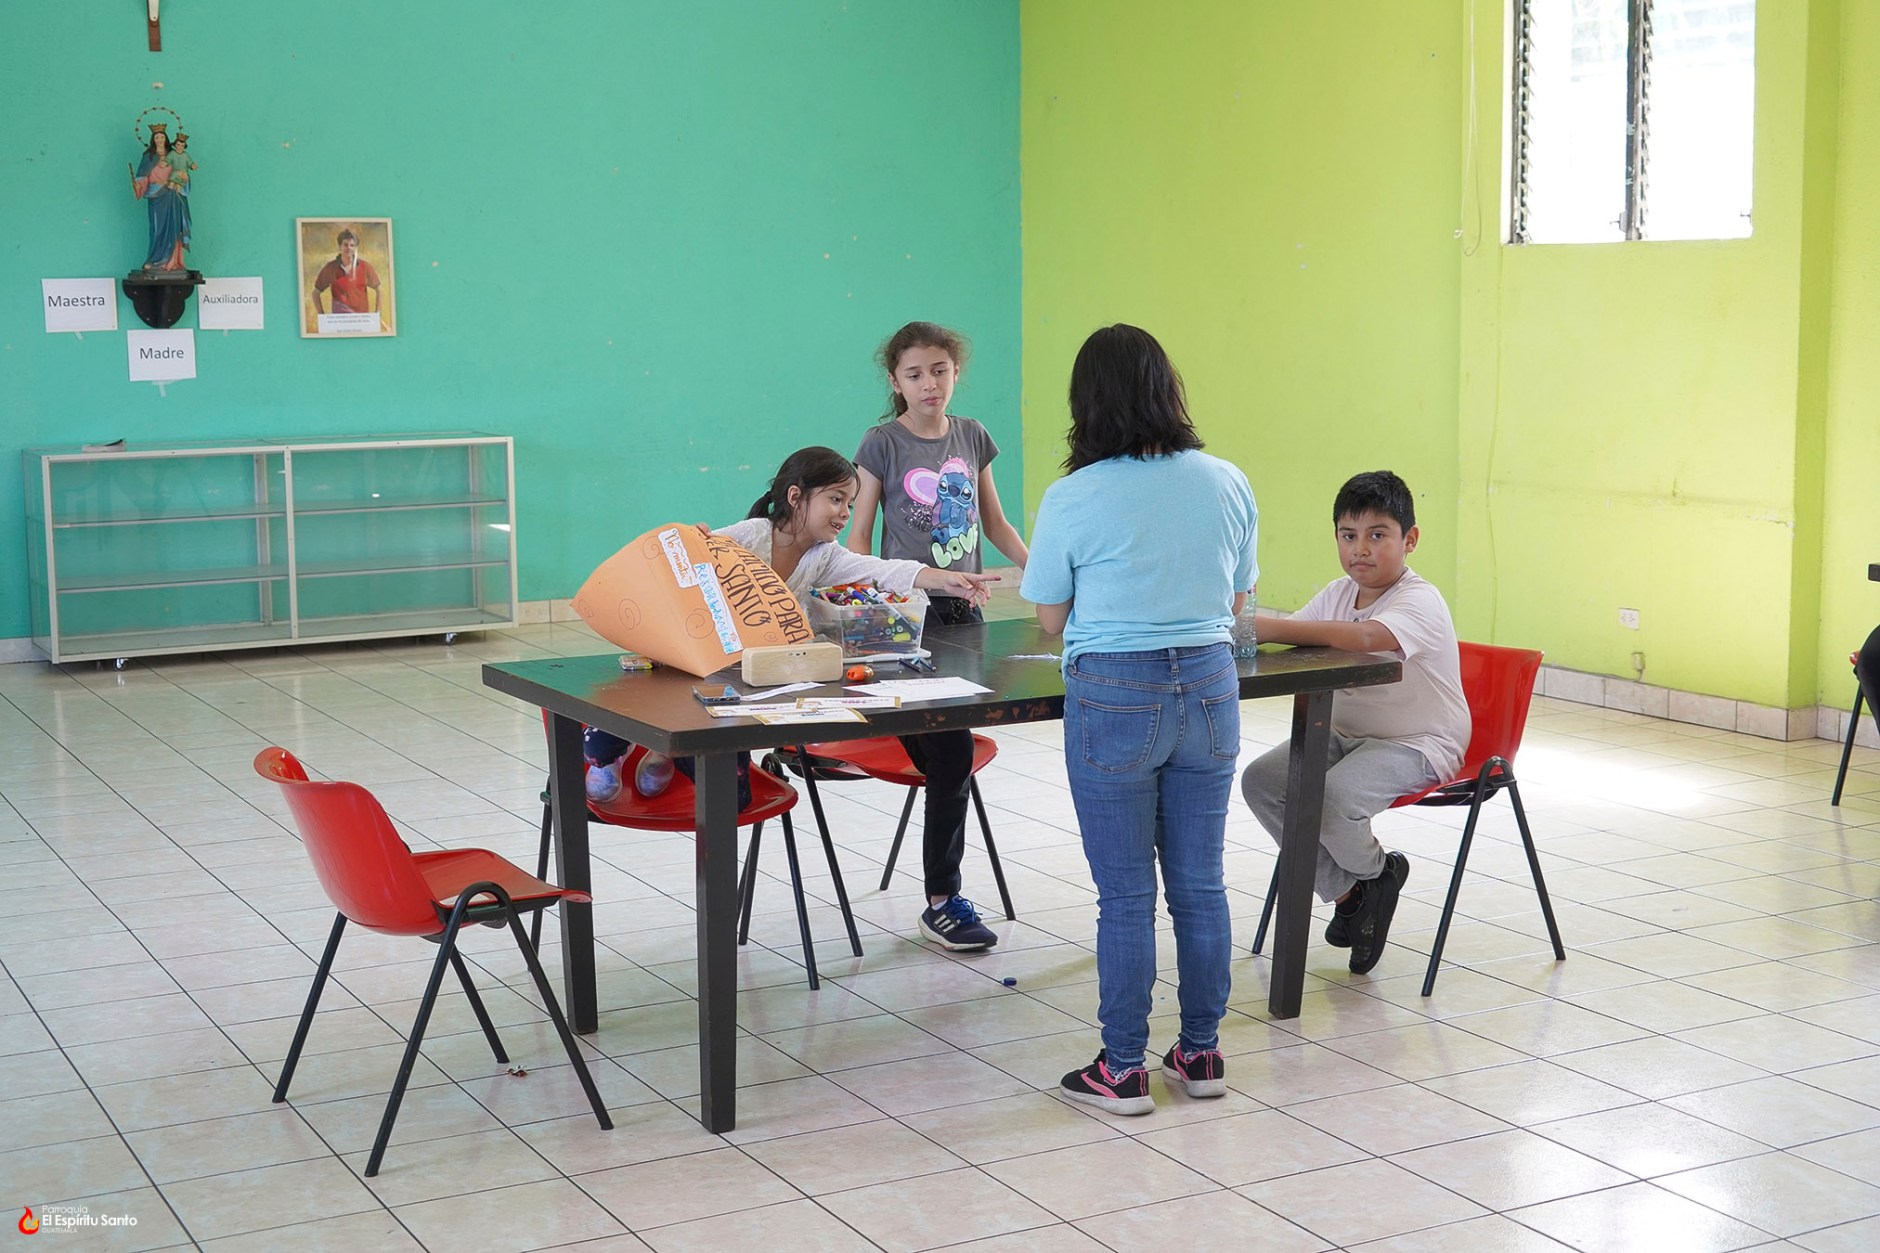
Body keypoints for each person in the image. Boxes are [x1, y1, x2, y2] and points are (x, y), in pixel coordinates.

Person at [1021, 324, 1258, 1116]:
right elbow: (1237, 598)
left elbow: (1049, 616)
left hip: (1116, 692)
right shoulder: (1227, 480)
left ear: (1085, 404)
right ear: (1168, 389)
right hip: (1212, 687)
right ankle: (1201, 1051)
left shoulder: (1075, 495)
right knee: (1200, 881)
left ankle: (1122, 1068)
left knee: (1125, 894)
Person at [584, 447, 996, 811]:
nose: (845, 513)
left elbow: (881, 570)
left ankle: (668, 753)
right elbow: (685, 562)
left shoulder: (824, 556)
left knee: (734, 798)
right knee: (646, 708)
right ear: (796, 496)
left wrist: (947, 579)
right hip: (697, 665)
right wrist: (697, 540)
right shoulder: (751, 536)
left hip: (744, 683)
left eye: (849, 503)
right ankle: (615, 752)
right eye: (835, 499)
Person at [1239, 470, 1470, 978]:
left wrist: (1260, 625)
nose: (1360, 549)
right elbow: (1301, 636)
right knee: (1263, 782)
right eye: (1348, 535)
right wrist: (1244, 627)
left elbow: (1368, 639)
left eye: (1377, 534)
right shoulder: (1338, 593)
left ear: (1410, 539)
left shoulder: (1418, 598)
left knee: (1333, 801)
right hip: (1344, 736)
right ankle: (1355, 893)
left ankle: (1377, 872)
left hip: (1419, 742)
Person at [848, 321, 1029, 952]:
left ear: (957, 374)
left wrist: (1040, 569)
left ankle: (942, 894)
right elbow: (859, 535)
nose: (929, 384)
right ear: (895, 381)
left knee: (948, 754)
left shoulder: (972, 435)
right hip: (904, 617)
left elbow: (995, 523)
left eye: (940, 371)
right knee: (950, 755)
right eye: (915, 374)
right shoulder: (882, 442)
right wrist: (873, 607)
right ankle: (942, 901)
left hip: (963, 614)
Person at [131, 124, 187, 272]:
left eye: (162, 137)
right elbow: (142, 176)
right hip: (155, 195)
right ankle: (155, 260)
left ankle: (172, 262)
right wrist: (138, 185)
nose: (160, 140)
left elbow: (183, 172)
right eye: (157, 137)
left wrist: (181, 178)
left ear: (166, 139)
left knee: (173, 228)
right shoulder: (148, 156)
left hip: (171, 196)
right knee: (156, 228)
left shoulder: (173, 155)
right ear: (153, 139)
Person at [309, 228, 381, 323]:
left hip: (361, 321)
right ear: (340, 247)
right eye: (345, 245)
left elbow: (379, 289)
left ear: (355, 248)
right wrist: (322, 316)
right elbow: (315, 293)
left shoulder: (365, 267)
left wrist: (377, 314)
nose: (349, 248)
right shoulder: (330, 268)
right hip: (339, 321)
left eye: (352, 245)